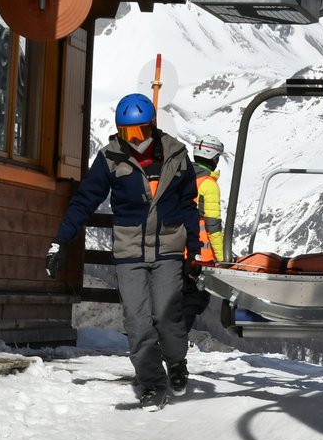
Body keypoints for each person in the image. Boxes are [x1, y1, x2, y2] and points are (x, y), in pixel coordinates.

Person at [45, 93, 212, 410]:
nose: (134, 141)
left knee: (167, 318)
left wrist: (195, 251)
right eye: (126, 134)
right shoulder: (111, 158)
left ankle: (176, 361)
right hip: (129, 252)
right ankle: (151, 383)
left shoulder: (176, 156)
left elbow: (190, 207)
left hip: (168, 250)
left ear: (152, 127)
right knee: (137, 323)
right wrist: (61, 240)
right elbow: (84, 201)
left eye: (139, 133)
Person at [180, 133, 226, 332]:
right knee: (194, 301)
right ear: (214, 159)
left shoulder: (181, 176)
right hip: (199, 256)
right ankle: (175, 345)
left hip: (174, 250)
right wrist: (223, 257)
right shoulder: (208, 185)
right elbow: (213, 226)